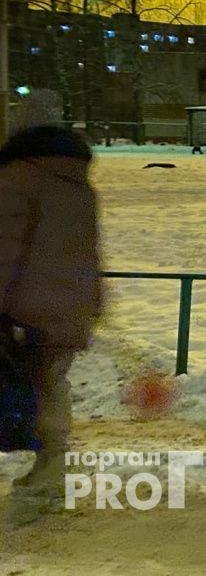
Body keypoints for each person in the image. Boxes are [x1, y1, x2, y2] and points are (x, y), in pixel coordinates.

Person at [0, 125, 103, 502]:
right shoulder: (78, 188)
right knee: (51, 387)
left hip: (22, 311)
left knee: (32, 388)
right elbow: (88, 253)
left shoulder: (16, 181)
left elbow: (4, 252)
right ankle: (52, 468)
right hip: (68, 309)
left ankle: (50, 471)